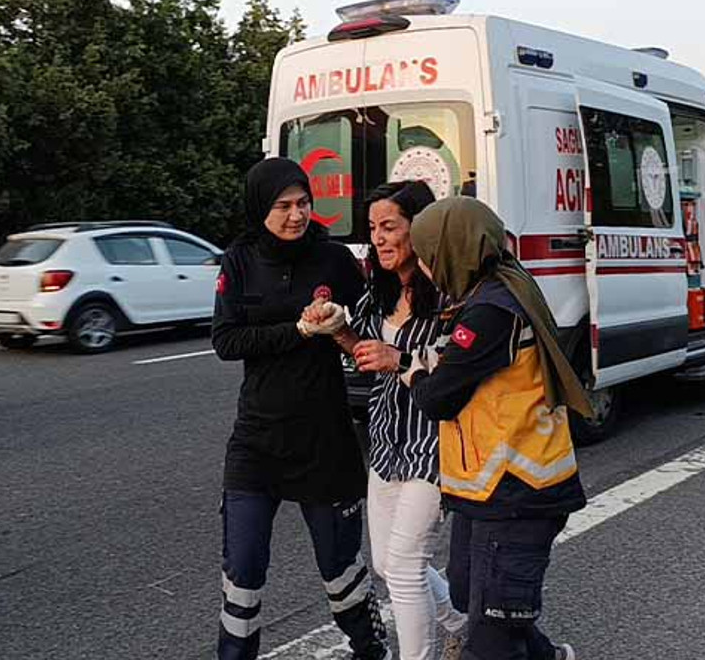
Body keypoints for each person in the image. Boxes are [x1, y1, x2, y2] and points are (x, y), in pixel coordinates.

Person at [211, 158, 388, 660]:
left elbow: (374, 321)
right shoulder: (239, 261)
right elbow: (226, 340)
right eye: (283, 205)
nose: (296, 215)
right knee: (242, 572)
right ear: (260, 207)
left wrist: (340, 321)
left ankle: (370, 648)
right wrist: (300, 330)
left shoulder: (332, 259)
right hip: (257, 440)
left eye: (303, 203)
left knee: (340, 571)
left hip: (324, 438)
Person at [401, 197, 591, 660]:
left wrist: (408, 368)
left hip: (518, 493)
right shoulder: (499, 286)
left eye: (427, 255)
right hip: (489, 489)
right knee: (476, 600)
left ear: (453, 250)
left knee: (490, 636)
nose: (424, 266)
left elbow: (437, 397)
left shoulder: (492, 310)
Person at [311, 181, 469, 660]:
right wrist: (336, 328)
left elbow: (456, 370)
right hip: (385, 442)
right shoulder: (377, 292)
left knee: (404, 565)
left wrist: (399, 357)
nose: (378, 239)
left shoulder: (449, 295)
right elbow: (364, 354)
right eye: (373, 229)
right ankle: (462, 623)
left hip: (431, 442)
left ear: (418, 230)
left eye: (389, 227)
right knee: (386, 563)